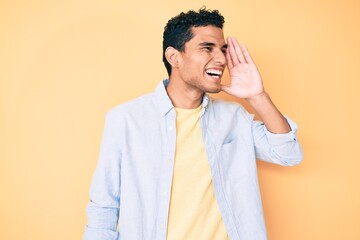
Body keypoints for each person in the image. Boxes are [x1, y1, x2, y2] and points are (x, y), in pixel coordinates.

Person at [83, 8, 303, 240]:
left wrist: (258, 97)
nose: (221, 59)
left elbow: (288, 154)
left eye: (223, 50)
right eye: (207, 48)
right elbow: (104, 205)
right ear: (174, 57)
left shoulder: (233, 117)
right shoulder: (126, 119)